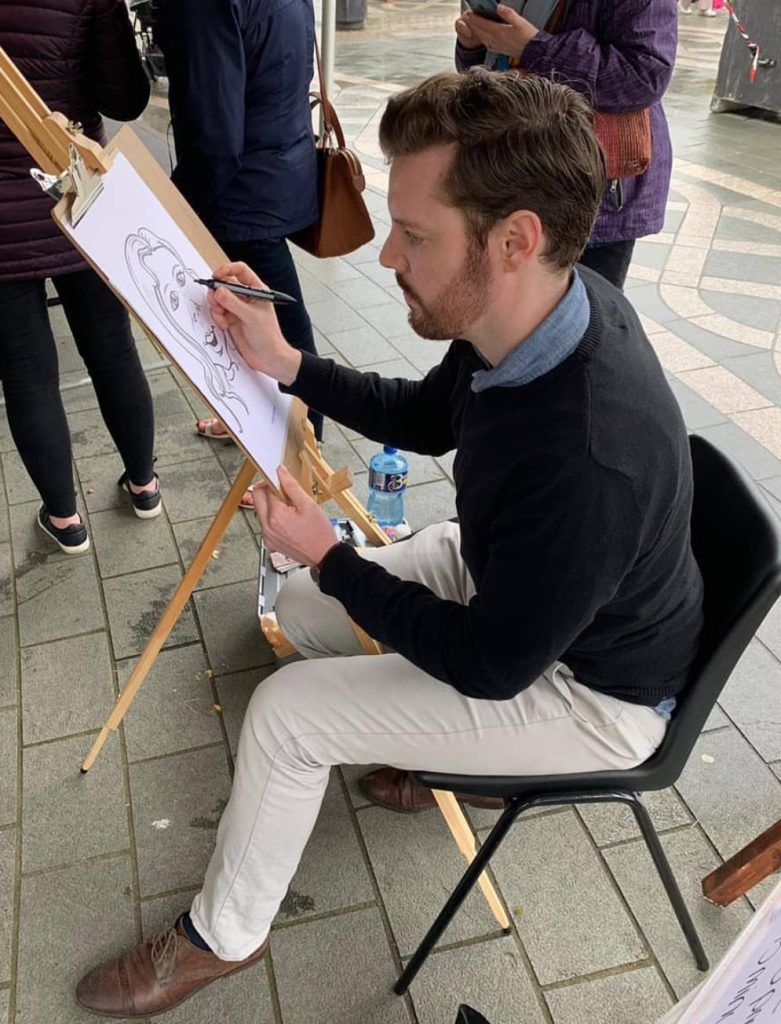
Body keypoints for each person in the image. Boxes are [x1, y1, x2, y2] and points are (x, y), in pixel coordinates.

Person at [76, 71, 703, 1017]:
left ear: (514, 239)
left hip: (588, 689)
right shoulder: (526, 313)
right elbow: (427, 416)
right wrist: (285, 363)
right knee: (291, 608)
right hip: (523, 585)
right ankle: (441, 753)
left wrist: (334, 554)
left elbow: (490, 664)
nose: (385, 257)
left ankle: (221, 936)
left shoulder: (591, 456)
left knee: (290, 714)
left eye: (414, 235)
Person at [0, 0, 161, 554]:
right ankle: (144, 484)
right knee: (113, 349)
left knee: (27, 374)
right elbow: (125, 97)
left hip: (3, 225)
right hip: (76, 194)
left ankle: (65, 520)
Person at [153, 0, 324, 460]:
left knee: (279, 326)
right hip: (277, 163)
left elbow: (214, 134)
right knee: (256, 317)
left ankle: (302, 458)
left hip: (241, 185)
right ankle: (257, 427)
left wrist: (170, 204)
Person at [454, 0, 678, 290]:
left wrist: (535, 48)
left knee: (578, 318)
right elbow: (488, 71)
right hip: (507, 171)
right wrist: (474, 46)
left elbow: (645, 75)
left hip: (590, 190)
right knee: (495, 307)